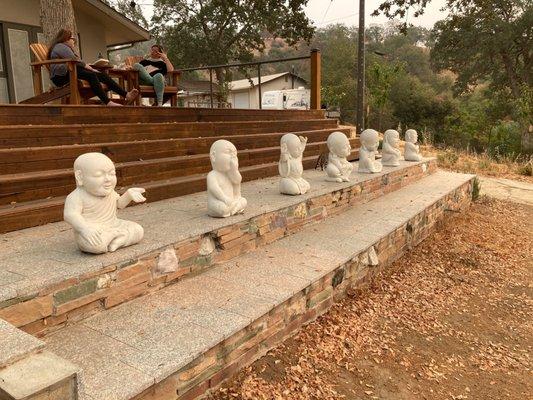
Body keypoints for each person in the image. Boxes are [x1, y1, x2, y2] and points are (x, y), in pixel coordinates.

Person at [48, 29, 138, 106]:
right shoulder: (60, 46)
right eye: (72, 39)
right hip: (61, 77)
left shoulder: (64, 47)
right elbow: (75, 60)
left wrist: (88, 67)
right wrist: (88, 67)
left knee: (102, 75)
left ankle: (126, 95)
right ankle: (107, 102)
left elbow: (77, 62)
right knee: (91, 75)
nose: (73, 41)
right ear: (66, 39)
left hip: (71, 72)